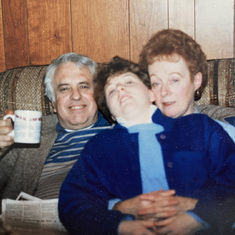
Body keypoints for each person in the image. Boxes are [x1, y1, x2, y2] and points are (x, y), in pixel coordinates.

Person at [58, 56, 235, 235]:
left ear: (151, 93)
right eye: (111, 91)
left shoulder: (198, 128)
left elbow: (231, 179)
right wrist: (121, 226)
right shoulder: (100, 147)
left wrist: (198, 217)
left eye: (128, 82)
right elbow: (74, 202)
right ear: (110, 113)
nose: (119, 89)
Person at [113, 29, 235, 234]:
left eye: (174, 80)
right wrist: (122, 208)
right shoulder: (128, 135)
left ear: (196, 81)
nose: (164, 91)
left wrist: (197, 214)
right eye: (156, 83)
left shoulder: (224, 134)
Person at [0, 53, 110, 202]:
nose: (76, 96)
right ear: (53, 103)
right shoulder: (29, 131)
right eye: (64, 89)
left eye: (84, 86)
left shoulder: (121, 133)